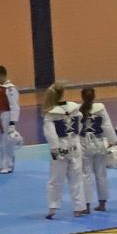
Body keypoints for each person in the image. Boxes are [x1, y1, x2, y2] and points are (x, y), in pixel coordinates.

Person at [41, 84, 86, 219]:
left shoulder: (51, 114)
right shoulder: (74, 108)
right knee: (77, 178)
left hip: (60, 149)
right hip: (75, 147)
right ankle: (79, 208)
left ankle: (52, 208)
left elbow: (51, 135)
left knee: (55, 180)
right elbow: (80, 124)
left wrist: (55, 150)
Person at [72, 87, 117, 212]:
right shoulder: (100, 108)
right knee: (101, 173)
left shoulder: (77, 110)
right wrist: (113, 141)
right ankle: (102, 203)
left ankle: (86, 205)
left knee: (86, 174)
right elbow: (107, 125)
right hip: (99, 143)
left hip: (85, 144)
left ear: (82, 97)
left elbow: (75, 128)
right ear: (94, 96)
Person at [0, 65, 21, 174]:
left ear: (2, 75)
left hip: (6, 115)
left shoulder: (10, 88)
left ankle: (8, 165)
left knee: (7, 141)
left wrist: (12, 122)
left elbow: (15, 106)